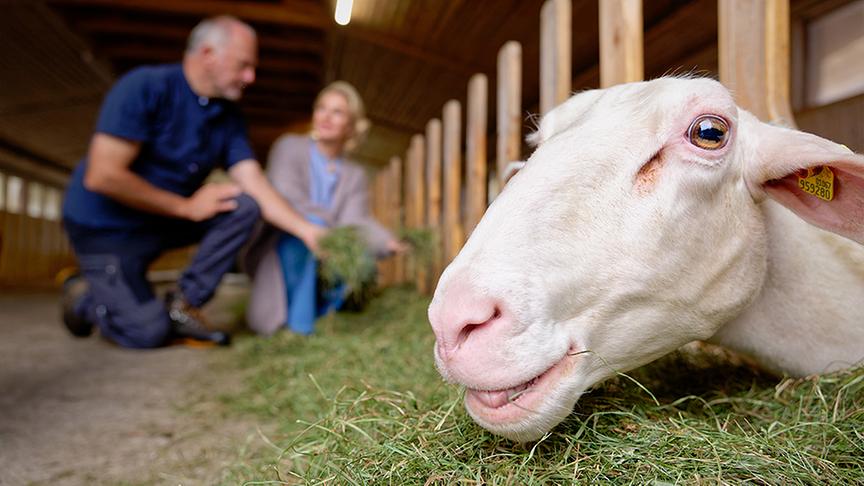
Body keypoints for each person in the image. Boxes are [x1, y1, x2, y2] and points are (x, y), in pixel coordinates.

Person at [60, 16, 325, 348]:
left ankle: (183, 304)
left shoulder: (227, 117)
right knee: (148, 333)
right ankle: (85, 299)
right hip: (105, 230)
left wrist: (308, 231)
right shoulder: (145, 87)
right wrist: (185, 207)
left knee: (243, 206)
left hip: (158, 222)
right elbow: (102, 175)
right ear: (208, 54)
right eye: (243, 65)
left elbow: (253, 181)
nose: (250, 77)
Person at [243, 81, 404, 336]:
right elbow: (286, 195)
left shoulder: (354, 174)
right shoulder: (289, 147)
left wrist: (387, 241)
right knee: (313, 232)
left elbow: (355, 220)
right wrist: (326, 228)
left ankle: (323, 312)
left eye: (337, 112)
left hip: (326, 249)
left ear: (350, 126)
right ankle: (299, 326)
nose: (326, 117)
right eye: (322, 108)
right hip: (288, 241)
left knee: (363, 262)